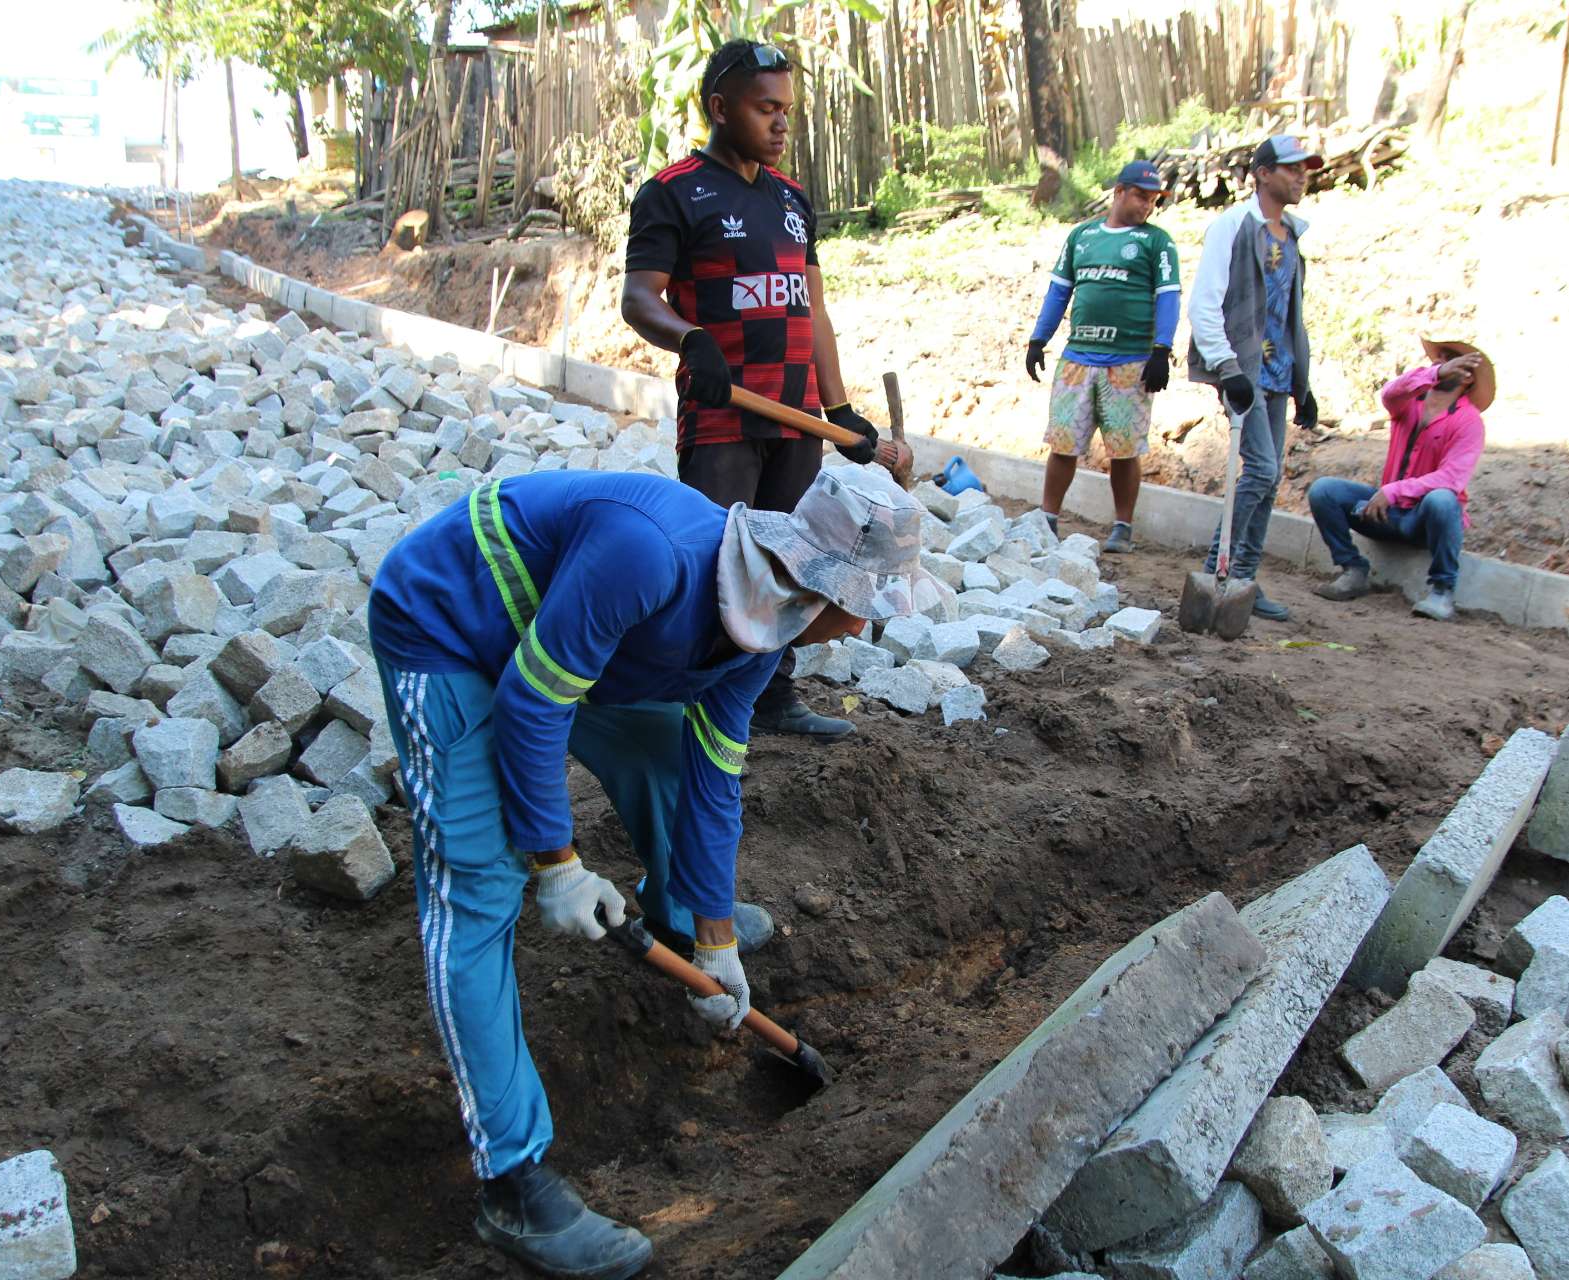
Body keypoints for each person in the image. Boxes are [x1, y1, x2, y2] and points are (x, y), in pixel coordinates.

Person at [366, 467, 946, 1279]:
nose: (861, 630)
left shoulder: (767, 622)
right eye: (872, 607)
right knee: (478, 893)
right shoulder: (652, 558)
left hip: (568, 641)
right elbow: (534, 703)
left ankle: (674, 910)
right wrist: (559, 866)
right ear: (826, 582)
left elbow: (714, 776)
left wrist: (715, 942)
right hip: (451, 629)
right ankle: (513, 1186)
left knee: (666, 754)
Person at [621, 38, 907, 743]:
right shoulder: (673, 192)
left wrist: (837, 408)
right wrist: (690, 339)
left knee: (791, 559)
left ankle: (772, 700)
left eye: (788, 110)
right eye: (766, 108)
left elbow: (814, 311)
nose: (782, 123)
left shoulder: (791, 200)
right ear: (720, 108)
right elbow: (637, 298)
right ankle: (695, 706)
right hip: (723, 418)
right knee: (717, 562)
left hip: (797, 420)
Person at [1186, 134, 1322, 622]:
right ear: (1263, 173)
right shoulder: (1233, 227)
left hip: (1279, 373)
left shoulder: (1293, 237)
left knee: (1271, 477)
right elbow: (1205, 302)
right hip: (1243, 368)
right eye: (1290, 168)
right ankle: (1217, 571)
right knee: (1262, 470)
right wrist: (1226, 367)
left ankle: (1243, 578)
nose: (1301, 175)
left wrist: (1303, 385)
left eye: (1305, 168)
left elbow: (1290, 316)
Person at [1023, 159, 1180, 555]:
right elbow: (1059, 291)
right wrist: (1038, 339)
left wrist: (1162, 349)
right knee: (1062, 442)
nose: (1146, 205)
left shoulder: (1156, 242)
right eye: (1140, 196)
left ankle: (1122, 527)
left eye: (1153, 199)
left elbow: (1168, 297)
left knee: (1124, 448)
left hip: (1128, 361)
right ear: (1119, 192)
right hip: (1078, 357)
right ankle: (1048, 518)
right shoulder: (1082, 237)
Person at [1308, 340, 1492, 621]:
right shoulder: (1409, 402)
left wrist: (1394, 490)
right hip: (1386, 513)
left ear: (1468, 377)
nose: (1441, 363)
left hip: (1423, 519)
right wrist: (1436, 374)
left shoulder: (1469, 421)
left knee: (1443, 499)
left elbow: (1452, 478)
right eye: (1440, 358)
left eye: (1453, 360)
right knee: (1324, 490)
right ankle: (1353, 569)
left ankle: (1442, 591)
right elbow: (1390, 393)